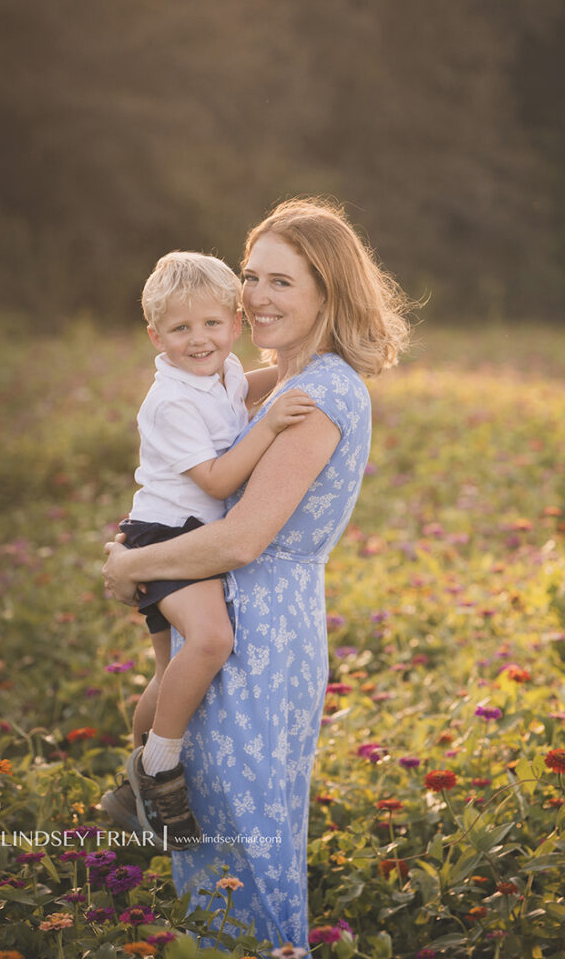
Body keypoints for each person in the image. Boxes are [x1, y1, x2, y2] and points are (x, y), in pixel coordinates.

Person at [102, 197, 411, 951]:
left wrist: (130, 564)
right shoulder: (278, 380)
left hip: (260, 637)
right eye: (251, 276)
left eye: (281, 281)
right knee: (216, 853)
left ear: (327, 294)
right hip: (229, 621)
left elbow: (242, 540)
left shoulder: (323, 394)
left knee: (245, 853)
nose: (256, 297)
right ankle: (138, 779)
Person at [100, 250, 315, 847]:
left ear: (235, 324)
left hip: (187, 531)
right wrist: (270, 424)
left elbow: (248, 389)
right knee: (212, 640)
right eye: (181, 329)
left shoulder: (223, 372)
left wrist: (312, 369)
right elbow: (218, 482)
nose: (199, 340)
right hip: (166, 535)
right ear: (156, 336)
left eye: (213, 324)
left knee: (170, 673)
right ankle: (158, 769)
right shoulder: (170, 401)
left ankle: (131, 787)